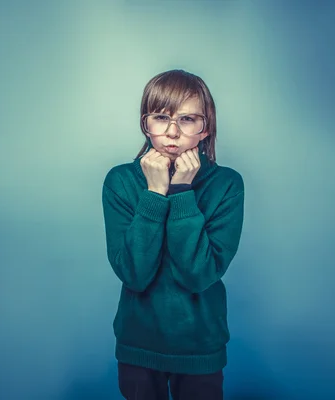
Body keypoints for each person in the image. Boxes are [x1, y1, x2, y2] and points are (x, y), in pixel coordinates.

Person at [101, 69, 245, 400]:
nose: (172, 132)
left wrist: (180, 190)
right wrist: (153, 193)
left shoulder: (227, 185)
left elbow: (198, 275)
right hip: (139, 344)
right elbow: (135, 275)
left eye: (187, 119)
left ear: (205, 127)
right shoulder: (121, 181)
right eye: (161, 117)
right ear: (145, 123)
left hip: (199, 346)